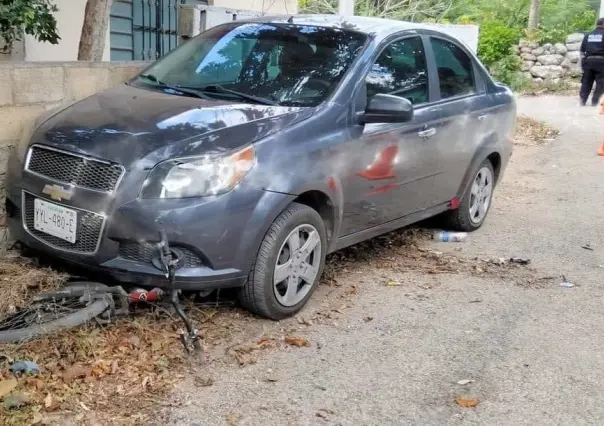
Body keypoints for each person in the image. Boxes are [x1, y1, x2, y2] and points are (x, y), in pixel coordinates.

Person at [579, 18, 604, 106]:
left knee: (586, 81)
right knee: (601, 82)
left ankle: (582, 100)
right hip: (601, 61)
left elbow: (582, 51)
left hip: (588, 60)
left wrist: (582, 64)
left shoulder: (588, 35)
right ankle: (595, 102)